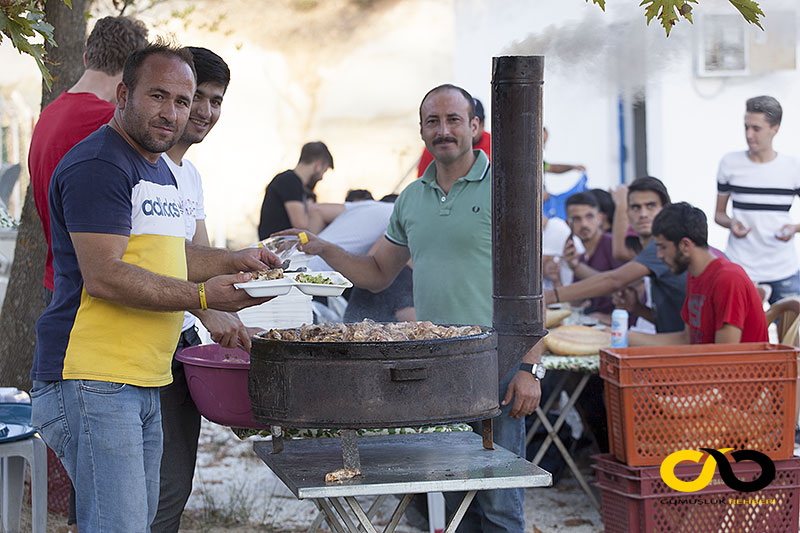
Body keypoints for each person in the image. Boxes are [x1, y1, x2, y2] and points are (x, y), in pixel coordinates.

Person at [29, 43, 281, 532]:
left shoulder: (159, 168)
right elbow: (105, 274)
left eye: (182, 101)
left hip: (142, 377)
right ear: (124, 93)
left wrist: (234, 259)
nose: (173, 113)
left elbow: (171, 257)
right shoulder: (101, 164)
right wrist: (206, 299)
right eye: (159, 96)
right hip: (92, 377)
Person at [279, 84, 540, 532]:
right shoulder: (411, 199)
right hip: (437, 364)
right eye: (433, 122)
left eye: (453, 120)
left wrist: (531, 368)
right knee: (448, 492)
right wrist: (322, 247)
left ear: (475, 127)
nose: (443, 131)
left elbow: (534, 283)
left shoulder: (506, 189)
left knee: (498, 499)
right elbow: (379, 271)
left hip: (497, 361)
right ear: (421, 131)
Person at [152, 47, 252, 533]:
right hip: (145, 347)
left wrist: (238, 295)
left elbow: (201, 259)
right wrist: (211, 306)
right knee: (154, 489)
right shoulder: (144, 167)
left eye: (216, 101)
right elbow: (149, 266)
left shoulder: (189, 174)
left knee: (174, 486)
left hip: (181, 342)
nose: (206, 112)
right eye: (198, 99)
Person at [28, 16, 149, 300]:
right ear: (134, 72)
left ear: (86, 58)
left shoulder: (48, 115)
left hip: (58, 280)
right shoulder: (111, 124)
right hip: (99, 289)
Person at [544, 176, 686, 333]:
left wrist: (551, 296)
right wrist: (637, 308)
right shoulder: (581, 255)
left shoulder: (663, 246)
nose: (643, 214)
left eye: (651, 206)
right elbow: (668, 320)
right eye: (636, 207)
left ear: (601, 218)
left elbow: (614, 280)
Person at [629, 202, 767, 345]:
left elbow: (725, 357)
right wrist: (622, 336)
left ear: (685, 245)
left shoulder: (728, 279)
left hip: (734, 366)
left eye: (663, 247)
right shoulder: (694, 275)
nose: (659, 255)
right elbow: (686, 339)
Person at [715, 95, 800, 304]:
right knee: (740, 334)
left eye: (756, 128)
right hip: (740, 265)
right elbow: (718, 214)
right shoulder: (730, 163)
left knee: (790, 335)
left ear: (775, 129)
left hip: (783, 268)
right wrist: (732, 223)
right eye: (746, 127)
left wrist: (793, 229)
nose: (749, 135)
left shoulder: (793, 168)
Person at [257, 141, 334, 239]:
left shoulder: (298, 186)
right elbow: (301, 226)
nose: (321, 178)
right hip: (277, 249)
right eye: (324, 171)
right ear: (317, 166)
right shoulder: (289, 181)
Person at [562, 191, 622, 315]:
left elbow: (621, 290)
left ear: (600, 218)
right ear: (568, 223)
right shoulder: (580, 256)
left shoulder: (612, 245)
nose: (584, 224)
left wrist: (577, 267)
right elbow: (576, 301)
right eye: (576, 219)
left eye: (589, 216)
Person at [416, 97, 490, 177]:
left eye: (455, 120)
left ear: (480, 125)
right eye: (453, 120)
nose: (444, 132)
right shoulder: (437, 147)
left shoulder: (496, 146)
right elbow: (423, 182)